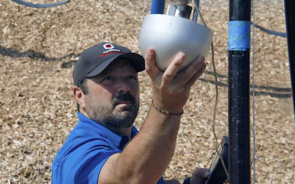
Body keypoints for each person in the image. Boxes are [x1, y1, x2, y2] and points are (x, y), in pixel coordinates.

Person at [52, 42, 209, 184]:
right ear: (80, 96)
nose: (125, 87)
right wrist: (166, 106)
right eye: (108, 78)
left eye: (130, 78)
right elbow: (130, 178)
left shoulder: (131, 137)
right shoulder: (76, 155)